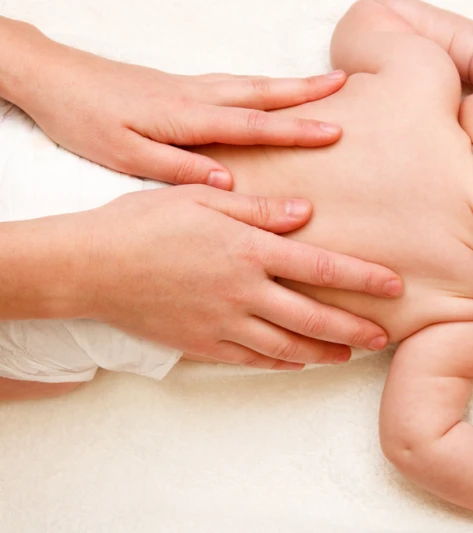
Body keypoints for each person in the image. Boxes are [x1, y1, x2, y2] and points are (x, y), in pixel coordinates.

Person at [1, 0, 473, 526]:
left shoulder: (424, 86)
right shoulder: (468, 317)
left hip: (79, 159)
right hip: (90, 325)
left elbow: (370, 18)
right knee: (38, 384)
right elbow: (421, 443)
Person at [0, 14, 405, 399]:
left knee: (49, 379)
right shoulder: (422, 86)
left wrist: (32, 61)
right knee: (48, 379)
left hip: (59, 315)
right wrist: (92, 269)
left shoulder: (422, 83)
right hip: (56, 317)